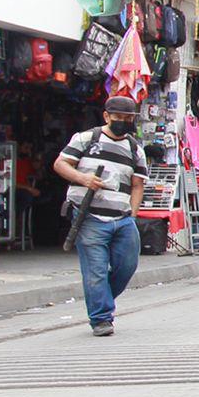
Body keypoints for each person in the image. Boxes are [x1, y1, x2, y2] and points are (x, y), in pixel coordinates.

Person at [52, 95, 148, 337]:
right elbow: (60, 165)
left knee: (127, 264)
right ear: (106, 116)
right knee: (95, 269)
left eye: (129, 118)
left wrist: (132, 215)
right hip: (89, 217)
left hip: (122, 217)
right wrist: (84, 179)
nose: (124, 122)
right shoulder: (86, 139)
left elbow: (137, 185)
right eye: (119, 118)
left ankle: (99, 297)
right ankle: (101, 318)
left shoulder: (135, 149)